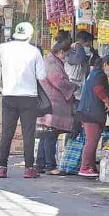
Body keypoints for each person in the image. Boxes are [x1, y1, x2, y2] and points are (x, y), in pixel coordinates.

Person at [0, 22, 46, 179]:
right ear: (29, 36)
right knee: (28, 133)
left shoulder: (3, 48)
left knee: (7, 132)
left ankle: (2, 168)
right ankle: (29, 168)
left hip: (9, 95)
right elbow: (42, 76)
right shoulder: (34, 51)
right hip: (29, 98)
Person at [36, 31, 77, 175]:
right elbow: (58, 81)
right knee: (50, 135)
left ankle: (40, 164)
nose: (66, 57)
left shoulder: (50, 60)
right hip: (52, 103)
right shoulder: (51, 63)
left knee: (46, 134)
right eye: (65, 54)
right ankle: (50, 165)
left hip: (48, 102)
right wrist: (72, 86)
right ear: (60, 51)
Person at [77, 55, 109, 177]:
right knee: (92, 141)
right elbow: (98, 89)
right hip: (91, 113)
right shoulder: (99, 74)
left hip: (90, 112)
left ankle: (91, 167)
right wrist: (106, 101)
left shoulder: (95, 73)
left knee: (94, 141)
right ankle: (84, 167)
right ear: (105, 64)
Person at [66, 31, 99, 138]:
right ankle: (69, 148)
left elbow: (97, 61)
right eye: (87, 45)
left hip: (82, 94)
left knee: (80, 124)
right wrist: (79, 46)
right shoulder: (71, 53)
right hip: (73, 95)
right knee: (74, 125)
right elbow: (79, 58)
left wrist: (94, 52)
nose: (89, 47)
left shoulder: (86, 54)